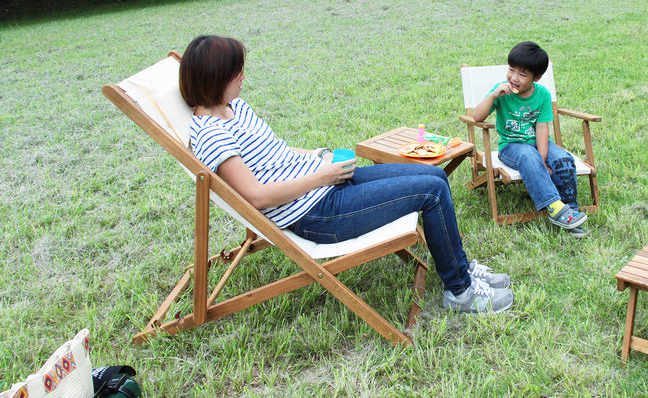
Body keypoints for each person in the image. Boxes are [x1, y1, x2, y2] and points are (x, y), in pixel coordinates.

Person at [179, 35, 513, 314]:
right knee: (432, 192)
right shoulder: (211, 135)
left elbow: (275, 151)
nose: (243, 77)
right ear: (216, 78)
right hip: (315, 213)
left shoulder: (233, 106)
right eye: (237, 72)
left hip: (325, 183)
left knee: (436, 177)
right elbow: (255, 196)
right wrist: (322, 176)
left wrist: (317, 156)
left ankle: (460, 266)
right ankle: (460, 292)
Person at [472, 41, 588, 237]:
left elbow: (542, 129)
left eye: (523, 74)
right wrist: (493, 95)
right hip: (512, 147)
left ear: (537, 77)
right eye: (511, 70)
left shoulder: (542, 94)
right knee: (528, 155)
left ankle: (571, 212)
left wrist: (542, 160)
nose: (514, 78)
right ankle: (554, 207)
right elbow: (477, 117)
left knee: (563, 159)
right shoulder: (501, 92)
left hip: (537, 145)